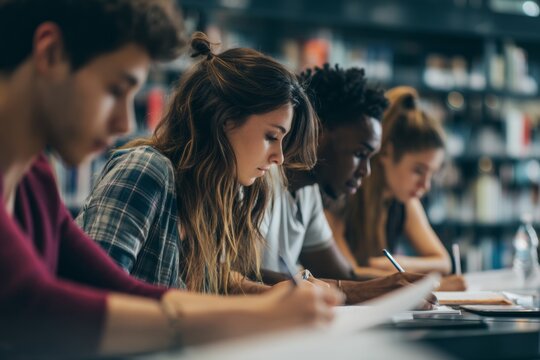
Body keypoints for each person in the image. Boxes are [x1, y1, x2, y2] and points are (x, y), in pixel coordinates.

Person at [0, 1, 342, 357]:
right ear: (51, 52)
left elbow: (116, 287)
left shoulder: (33, 179)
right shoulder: (142, 169)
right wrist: (254, 318)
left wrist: (266, 310)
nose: (124, 125)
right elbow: (29, 309)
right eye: (116, 89)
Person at [75, 31, 324, 296]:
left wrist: (268, 294)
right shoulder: (145, 171)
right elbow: (95, 299)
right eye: (271, 136)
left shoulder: (212, 191)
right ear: (225, 120)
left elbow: (214, 278)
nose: (279, 158)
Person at [259, 65, 434, 305]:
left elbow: (343, 274)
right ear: (317, 132)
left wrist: (403, 285)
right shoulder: (260, 178)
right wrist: (357, 290)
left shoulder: (306, 194)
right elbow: (244, 279)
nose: (365, 171)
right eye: (360, 153)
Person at [326, 86, 463, 290]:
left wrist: (390, 267)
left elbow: (443, 262)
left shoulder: (405, 201)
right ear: (387, 153)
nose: (425, 186)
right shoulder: (343, 194)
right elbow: (347, 272)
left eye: (431, 174)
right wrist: (433, 283)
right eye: (418, 170)